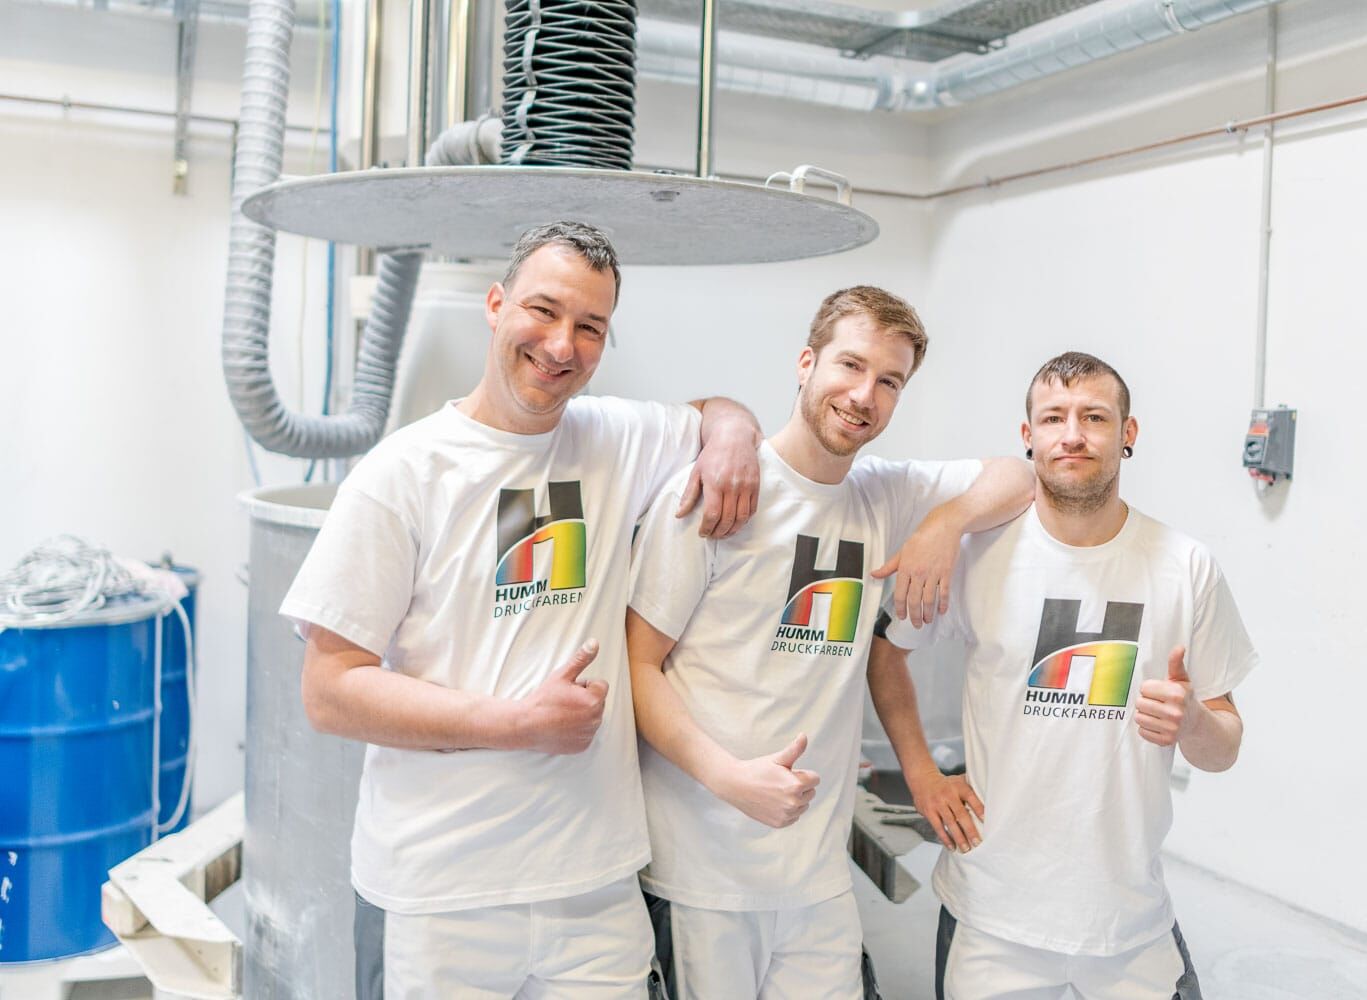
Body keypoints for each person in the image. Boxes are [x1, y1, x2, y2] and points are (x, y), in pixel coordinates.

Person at [280, 221, 764, 999]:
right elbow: (329, 690)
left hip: (595, 888)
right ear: (496, 304)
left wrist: (734, 435)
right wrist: (517, 724)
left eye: (590, 327)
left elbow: (712, 410)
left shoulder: (613, 439)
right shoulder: (402, 473)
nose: (561, 345)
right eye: (543, 310)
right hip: (441, 895)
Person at [625, 285, 1035, 1000]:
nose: (864, 395)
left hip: (817, 880)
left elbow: (1019, 475)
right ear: (806, 362)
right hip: (703, 874)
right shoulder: (716, 491)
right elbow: (638, 664)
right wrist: (727, 776)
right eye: (850, 365)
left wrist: (946, 523)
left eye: (890, 381)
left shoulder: (884, 494)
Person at [868, 351, 1256, 1000]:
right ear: (1028, 437)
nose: (1072, 435)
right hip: (991, 920)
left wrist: (1193, 722)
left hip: (1130, 924)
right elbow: (888, 653)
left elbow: (1225, 747)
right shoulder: (977, 554)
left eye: (1094, 417)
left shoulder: (1186, 566)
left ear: (1128, 433)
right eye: (1053, 418)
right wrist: (922, 774)